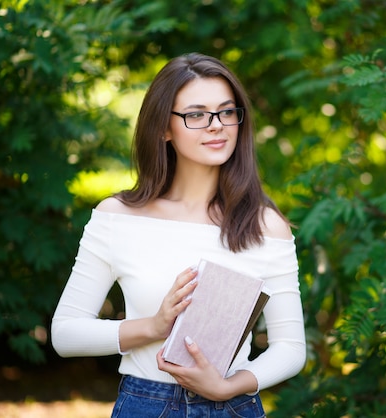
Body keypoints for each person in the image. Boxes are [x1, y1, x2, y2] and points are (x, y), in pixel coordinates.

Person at [51, 52, 307, 418]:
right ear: (163, 128)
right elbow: (65, 334)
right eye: (196, 114)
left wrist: (228, 386)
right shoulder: (117, 217)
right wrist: (154, 326)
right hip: (145, 404)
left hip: (234, 406)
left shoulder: (266, 226)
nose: (216, 125)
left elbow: (290, 347)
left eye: (227, 111)